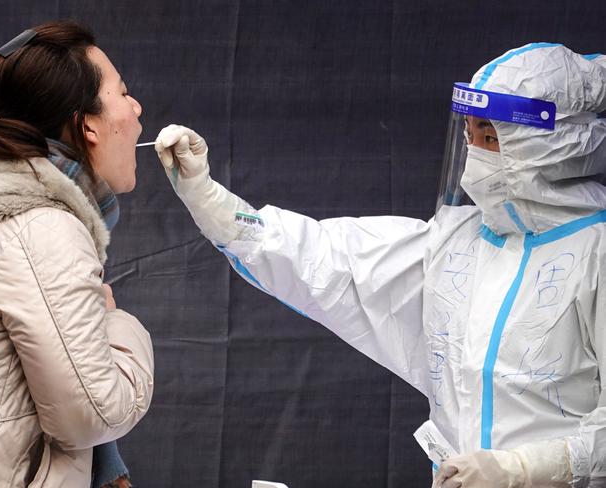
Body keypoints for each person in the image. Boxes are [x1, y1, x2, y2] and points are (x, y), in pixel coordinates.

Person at [153, 43, 606, 487]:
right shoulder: (458, 242)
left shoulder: (596, 251)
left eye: (492, 136)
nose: (475, 155)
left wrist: (524, 470)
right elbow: (327, 259)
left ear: (554, 144)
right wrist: (208, 198)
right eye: (469, 135)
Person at [0, 21, 153, 487]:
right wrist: (115, 322)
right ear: (87, 125)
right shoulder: (40, 228)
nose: (137, 108)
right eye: (123, 94)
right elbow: (91, 413)